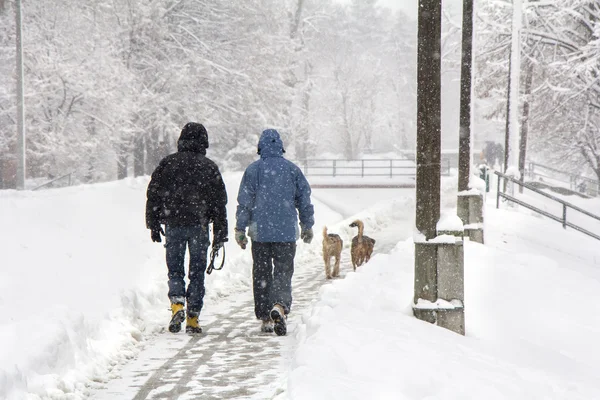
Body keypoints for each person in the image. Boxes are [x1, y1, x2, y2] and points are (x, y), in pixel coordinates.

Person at [146, 122, 228, 334]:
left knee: (175, 269)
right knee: (197, 271)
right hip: (199, 226)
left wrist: (153, 223)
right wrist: (220, 233)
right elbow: (220, 203)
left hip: (173, 224)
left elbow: (153, 193)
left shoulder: (167, 164)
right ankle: (193, 317)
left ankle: (177, 303)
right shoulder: (209, 167)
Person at [235, 128, 314, 336]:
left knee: (261, 273)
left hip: (260, 233)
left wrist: (240, 229)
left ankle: (265, 317)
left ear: (260, 147)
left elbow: (244, 203)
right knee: (283, 272)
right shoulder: (292, 170)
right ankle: (279, 305)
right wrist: (307, 225)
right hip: (286, 233)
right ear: (281, 148)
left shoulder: (253, 171)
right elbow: (304, 200)